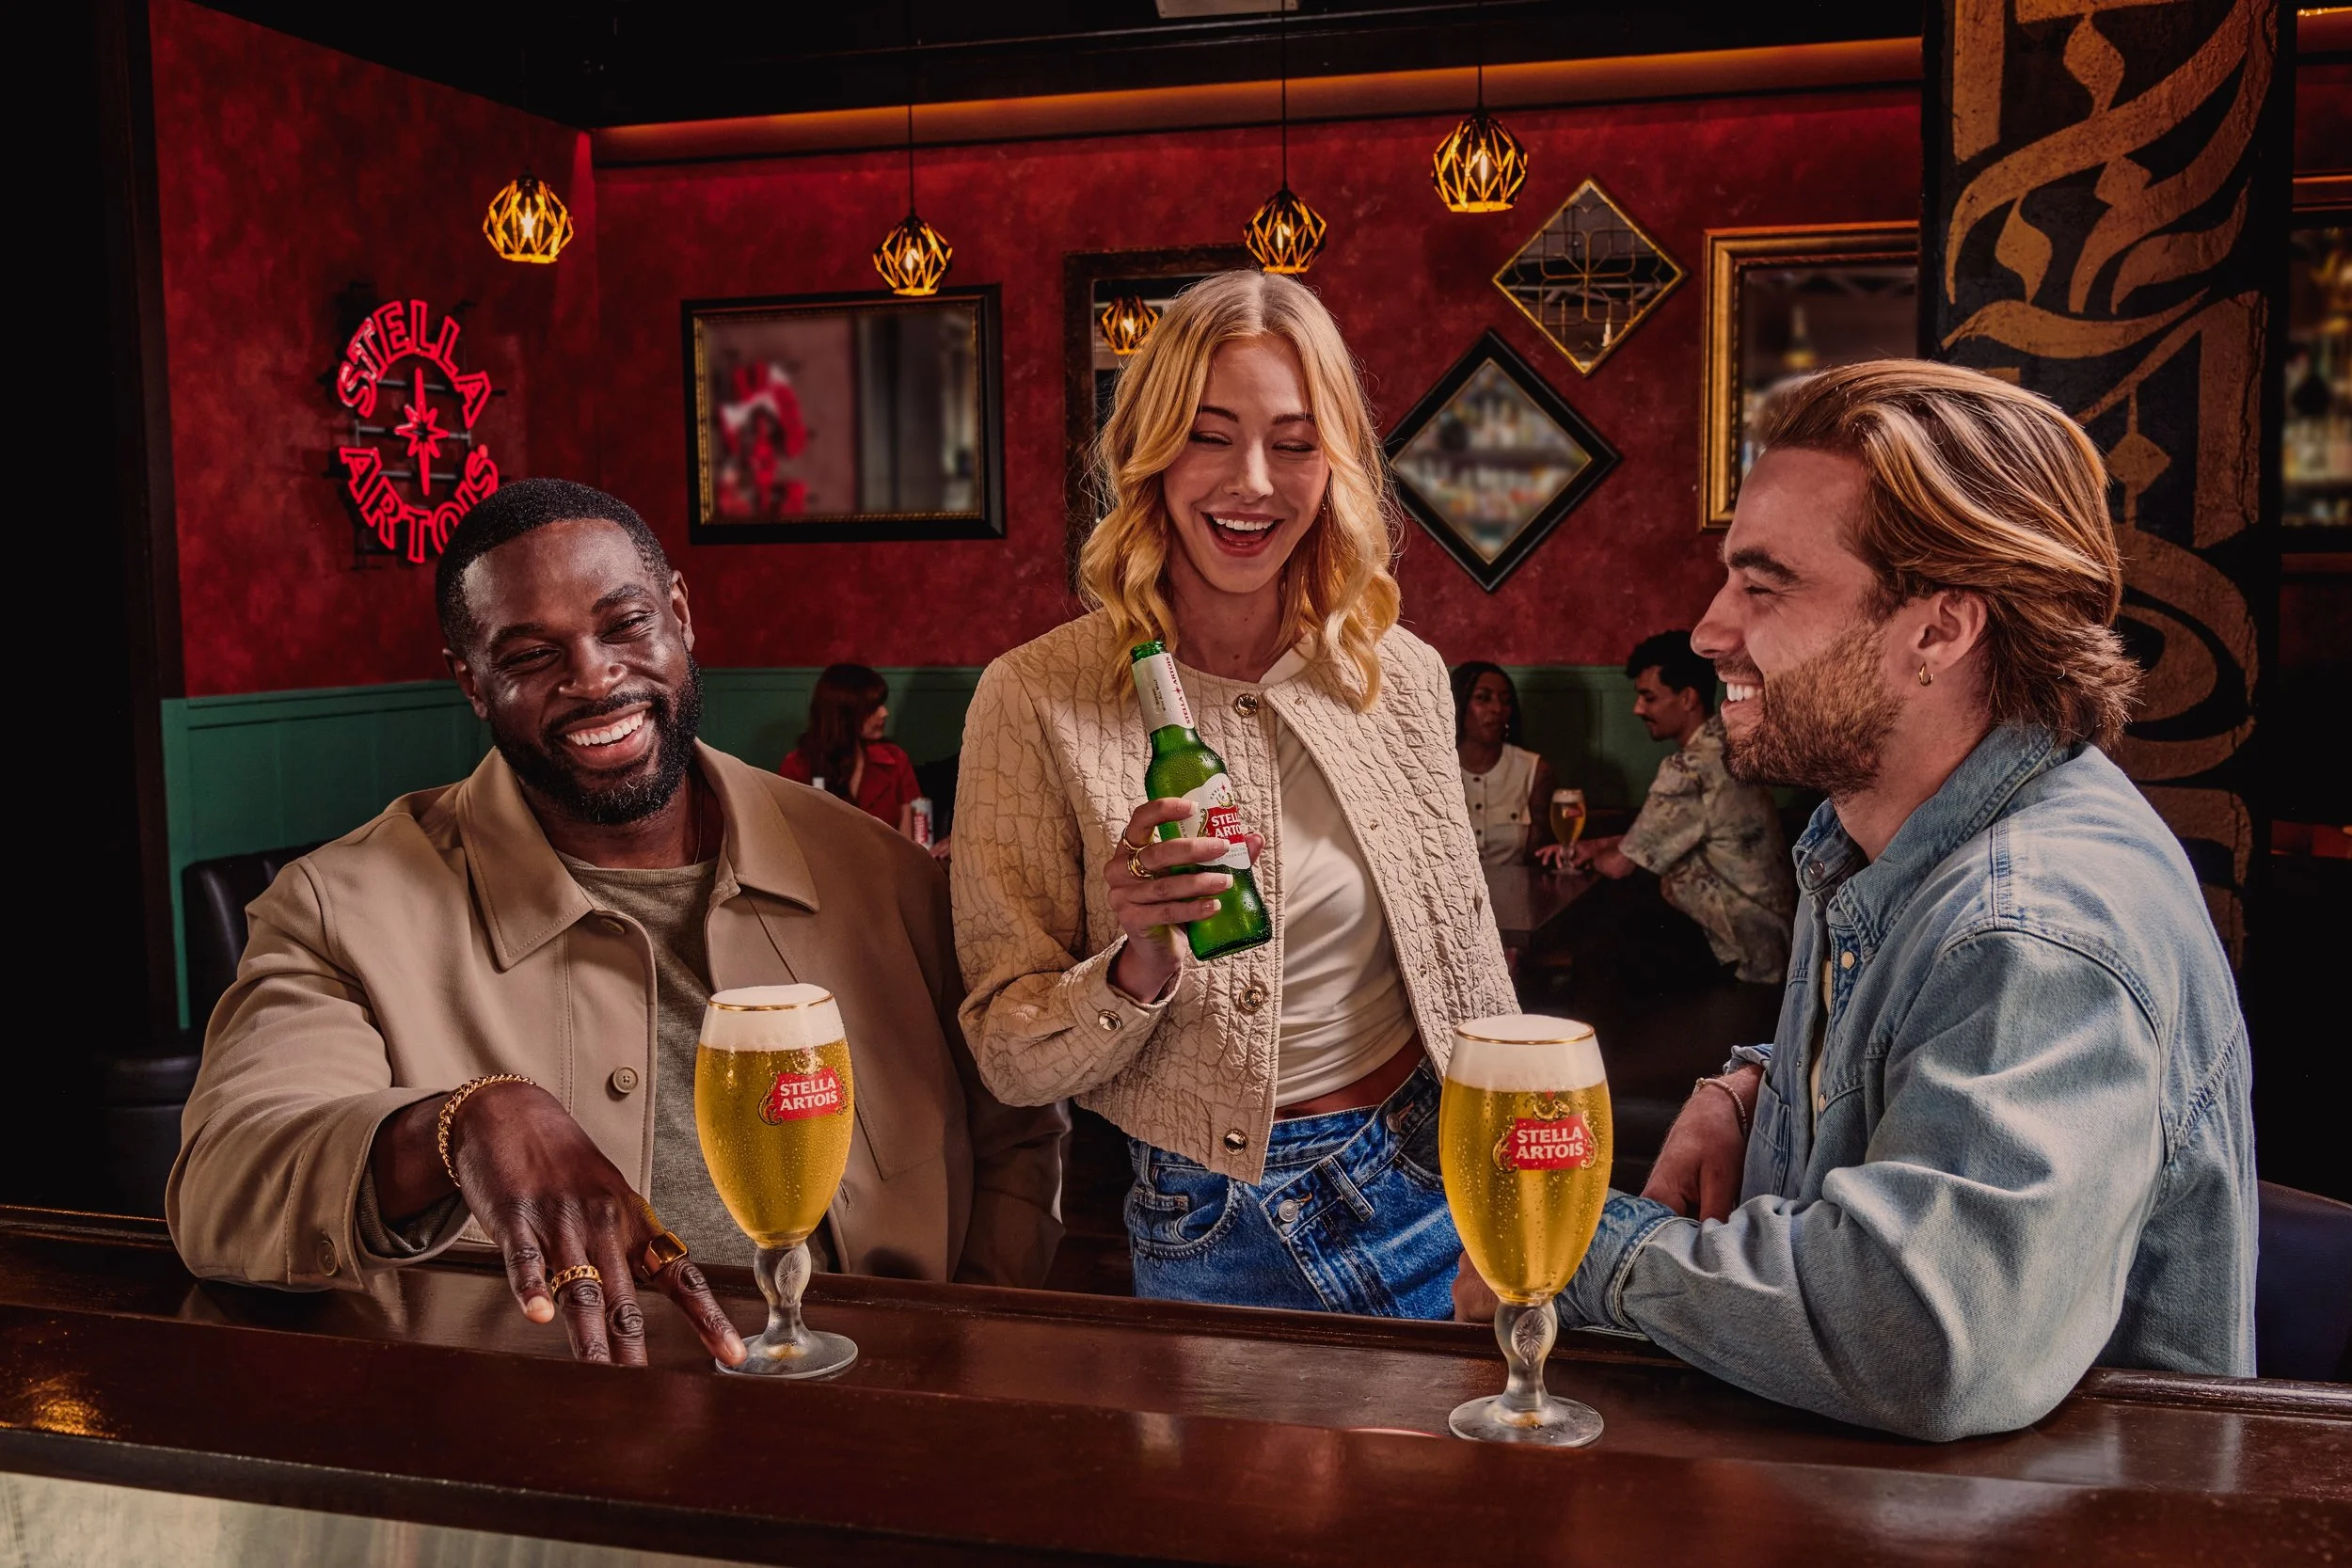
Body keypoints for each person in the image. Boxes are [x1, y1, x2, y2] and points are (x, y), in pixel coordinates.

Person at [1457, 361, 2255, 1440]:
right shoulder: (1889, 831)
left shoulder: (2036, 927)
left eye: (1763, 585)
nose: (1707, 629)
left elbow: (1924, 1334)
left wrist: (1567, 1256)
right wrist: (1753, 1085)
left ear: (1938, 630)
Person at [169, 479, 1066, 1367]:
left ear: (679, 612)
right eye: (528, 655)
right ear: (471, 683)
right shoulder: (338, 910)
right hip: (545, 1453)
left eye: (625, 624)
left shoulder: (886, 876)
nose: (594, 678)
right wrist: (458, 1124)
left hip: (875, 1424)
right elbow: (222, 1187)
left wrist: (961, 1353)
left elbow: (1016, 1136)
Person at [953, 270, 1515, 1318]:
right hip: (1221, 1222)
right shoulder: (1034, 696)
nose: (1251, 480)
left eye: (1294, 443)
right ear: (1150, 454)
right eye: (1209, 436)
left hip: (1437, 1176)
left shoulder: (1402, 676)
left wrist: (1514, 1183)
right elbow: (1006, 1050)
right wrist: (1135, 961)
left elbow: (1465, 964)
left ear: (1334, 465)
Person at [1560, 630, 1795, 986]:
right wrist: (1593, 845)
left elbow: (1620, 865)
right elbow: (1655, 836)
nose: (1638, 709)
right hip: (1772, 938)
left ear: (1687, 698)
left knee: (1602, 937)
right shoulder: (1728, 748)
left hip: (1741, 950)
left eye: (1648, 697)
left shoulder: (1689, 769)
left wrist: (1583, 858)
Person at [779, 662, 926, 842]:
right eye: (873, 707)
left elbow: (911, 846)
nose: (884, 713)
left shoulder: (895, 760)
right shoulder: (797, 766)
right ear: (844, 713)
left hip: (886, 867)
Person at [1452, 661, 1559, 869]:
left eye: (1505, 701)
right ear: (1458, 704)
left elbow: (1540, 858)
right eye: (1483, 698)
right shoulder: (1436, 767)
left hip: (1515, 894)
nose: (1497, 709)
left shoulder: (1534, 771)